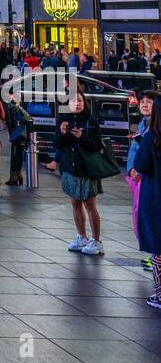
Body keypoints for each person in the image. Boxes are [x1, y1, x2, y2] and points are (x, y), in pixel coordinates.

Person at [56, 89, 104, 255]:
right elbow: (58, 144)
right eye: (73, 101)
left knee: (90, 205)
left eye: (80, 101)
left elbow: (97, 145)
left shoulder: (91, 121)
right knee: (75, 203)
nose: (77, 103)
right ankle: (81, 236)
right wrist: (62, 133)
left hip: (87, 169)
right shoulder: (64, 120)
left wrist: (81, 136)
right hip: (70, 167)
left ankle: (96, 240)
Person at [132, 96, 161, 310]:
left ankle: (160, 294)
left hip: (155, 197)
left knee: (158, 248)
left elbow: (141, 164)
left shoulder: (152, 136)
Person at [127, 90, 154, 263]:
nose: (144, 104)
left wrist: (140, 169)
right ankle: (154, 254)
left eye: (149, 102)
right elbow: (133, 150)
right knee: (141, 216)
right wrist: (131, 169)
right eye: (142, 101)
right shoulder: (142, 124)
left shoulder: (155, 128)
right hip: (139, 180)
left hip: (150, 180)